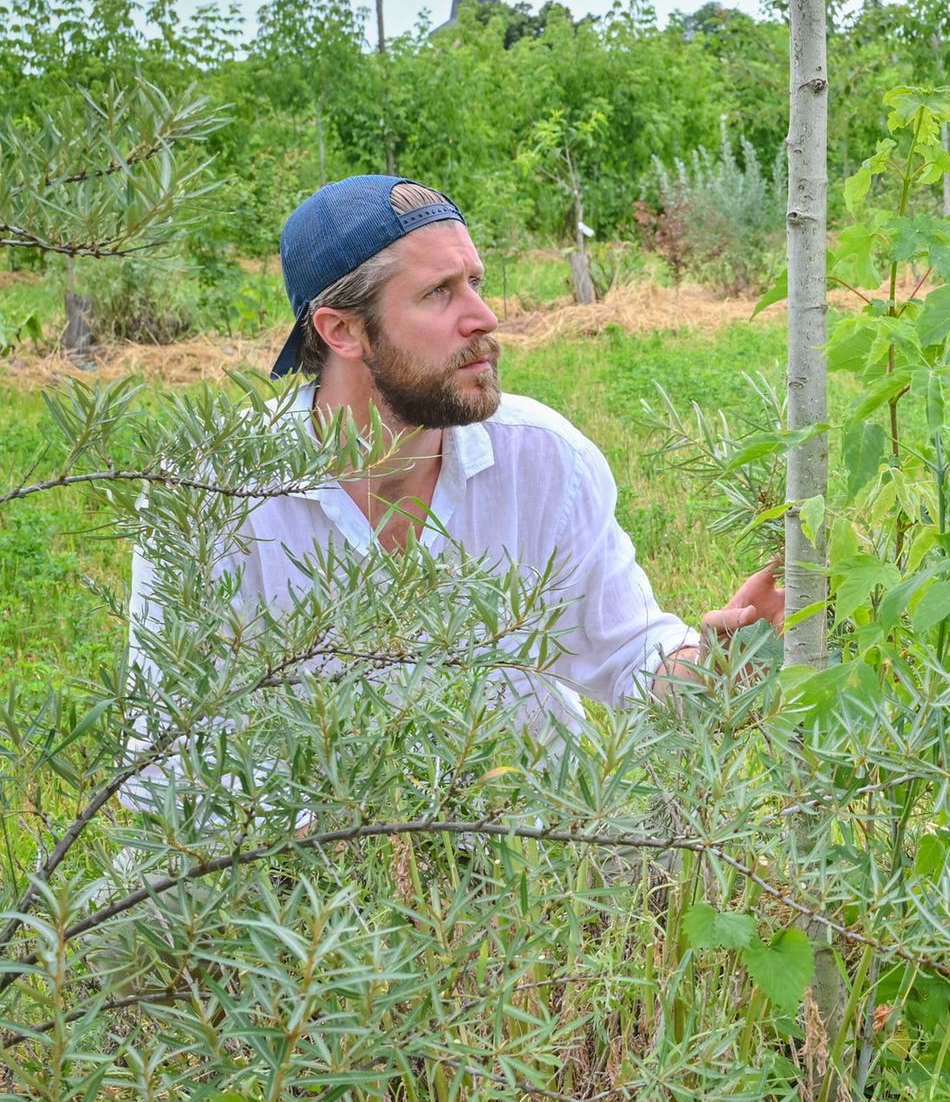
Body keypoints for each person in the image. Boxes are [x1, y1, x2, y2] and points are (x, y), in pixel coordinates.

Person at [130, 174, 782, 734]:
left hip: (527, 842)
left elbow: (628, 652)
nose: (485, 317)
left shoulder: (544, 461)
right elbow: (171, 743)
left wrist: (716, 671)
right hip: (299, 861)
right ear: (343, 330)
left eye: (475, 281)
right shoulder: (207, 497)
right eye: (439, 292)